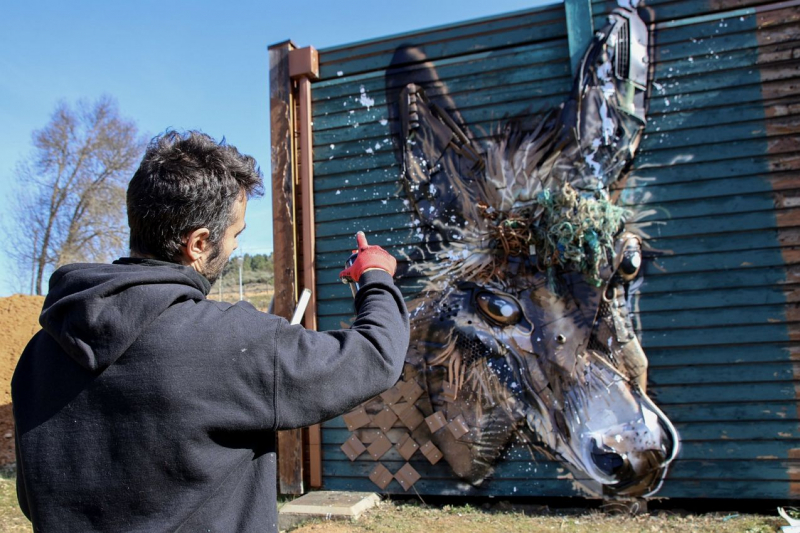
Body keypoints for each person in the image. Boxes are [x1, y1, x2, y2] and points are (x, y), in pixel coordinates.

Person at [11, 130, 410, 532]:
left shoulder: (39, 354)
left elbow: (35, 499)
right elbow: (375, 355)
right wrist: (374, 276)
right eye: (235, 233)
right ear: (199, 243)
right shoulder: (231, 342)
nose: (236, 246)